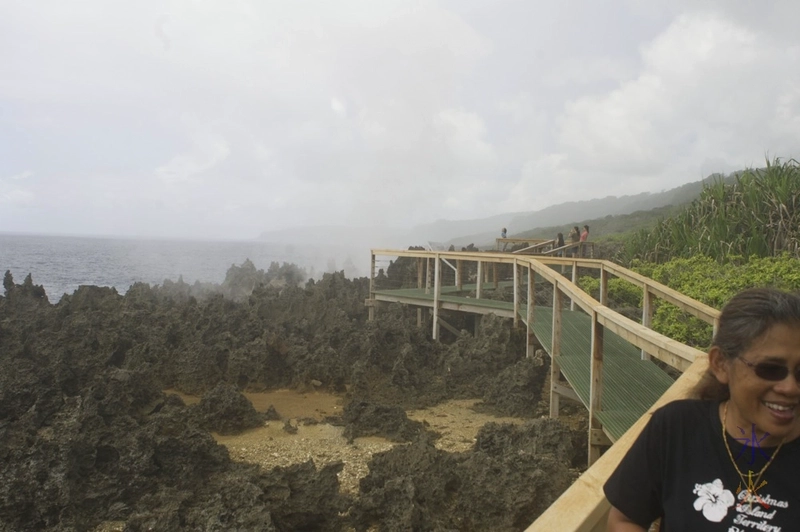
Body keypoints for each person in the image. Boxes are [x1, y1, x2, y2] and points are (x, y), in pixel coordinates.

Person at [604, 287, 800, 531]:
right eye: (771, 369)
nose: (791, 388)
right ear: (720, 364)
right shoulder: (676, 429)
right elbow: (625, 519)